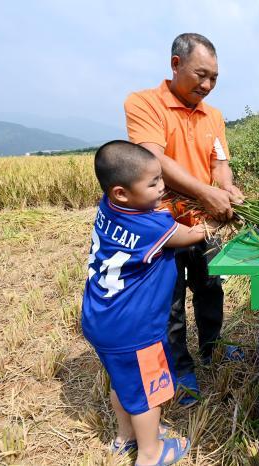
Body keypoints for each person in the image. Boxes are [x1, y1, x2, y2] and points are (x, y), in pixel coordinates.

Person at [124, 33, 245, 406]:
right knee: (170, 303)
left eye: (214, 79)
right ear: (175, 65)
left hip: (204, 224)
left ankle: (213, 347)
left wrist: (225, 189)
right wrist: (204, 193)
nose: (207, 86)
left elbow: (218, 162)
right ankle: (180, 369)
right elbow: (154, 159)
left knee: (210, 287)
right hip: (163, 224)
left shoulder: (214, 116)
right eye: (200, 75)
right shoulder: (144, 103)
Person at [82, 140, 207, 465]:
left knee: (122, 382)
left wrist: (153, 195)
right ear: (122, 192)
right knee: (148, 395)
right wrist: (211, 219)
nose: (162, 188)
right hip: (134, 329)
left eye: (161, 179)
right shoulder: (153, 226)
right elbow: (192, 236)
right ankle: (151, 453)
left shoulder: (109, 207)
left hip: (100, 318)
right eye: (153, 184)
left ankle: (126, 438)